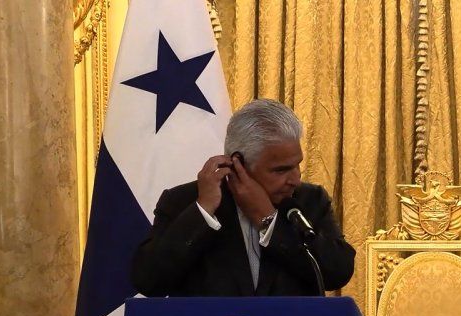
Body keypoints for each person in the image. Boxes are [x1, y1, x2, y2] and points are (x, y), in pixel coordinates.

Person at [132, 99, 354, 297]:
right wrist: (204, 210)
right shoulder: (183, 202)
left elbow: (338, 272)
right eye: (280, 170)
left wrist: (269, 219)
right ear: (238, 164)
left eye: (297, 165)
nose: (295, 179)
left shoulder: (310, 201)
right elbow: (149, 281)